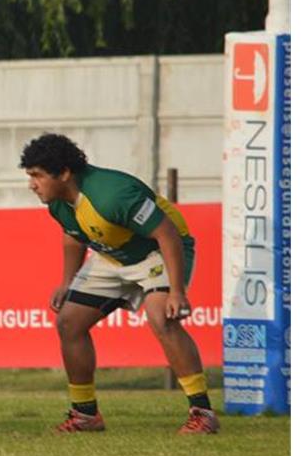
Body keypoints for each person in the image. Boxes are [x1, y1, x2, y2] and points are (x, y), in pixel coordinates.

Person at [19, 133, 219, 434]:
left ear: (64, 173)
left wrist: (177, 291)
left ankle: (202, 413)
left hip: (157, 252)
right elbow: (74, 237)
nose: (32, 184)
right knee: (69, 322)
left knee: (161, 318)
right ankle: (85, 414)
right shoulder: (58, 202)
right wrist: (66, 281)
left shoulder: (112, 194)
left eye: (37, 176)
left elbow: (167, 234)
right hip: (111, 257)